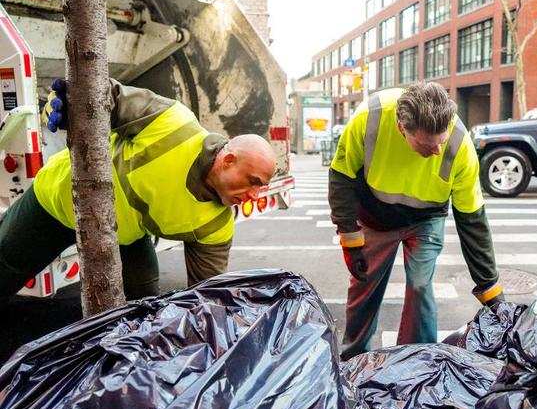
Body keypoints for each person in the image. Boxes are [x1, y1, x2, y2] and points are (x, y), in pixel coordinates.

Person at [0, 79, 276, 299]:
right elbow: (107, 94)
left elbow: (207, 295)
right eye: (254, 182)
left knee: (143, 297)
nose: (254, 195)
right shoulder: (173, 123)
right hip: (56, 202)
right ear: (227, 161)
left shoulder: (216, 223)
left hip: (120, 236)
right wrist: (70, 103)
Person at [329, 81, 503, 360]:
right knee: (364, 284)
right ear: (401, 128)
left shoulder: (459, 145)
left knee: (421, 285)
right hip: (377, 215)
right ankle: (354, 357)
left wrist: (490, 288)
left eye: (440, 143)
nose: (435, 152)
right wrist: (350, 238)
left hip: (426, 218)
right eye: (426, 145)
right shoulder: (369, 118)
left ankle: (417, 359)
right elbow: (341, 175)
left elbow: (472, 220)